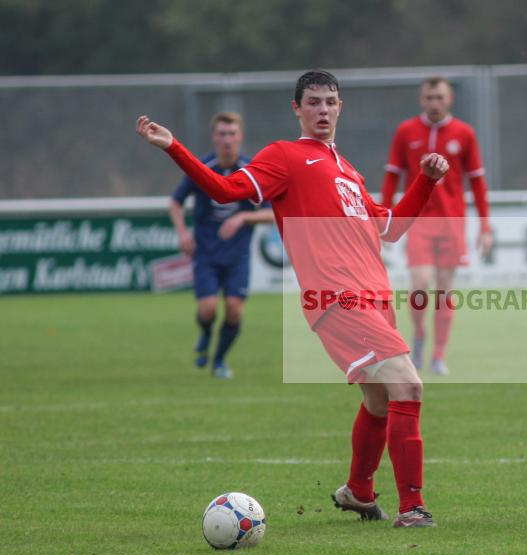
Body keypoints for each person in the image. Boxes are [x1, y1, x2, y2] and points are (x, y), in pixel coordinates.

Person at [137, 70, 449, 528]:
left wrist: (425, 182)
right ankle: (412, 508)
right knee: (410, 386)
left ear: (341, 107)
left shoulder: (349, 172)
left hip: (374, 299)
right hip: (337, 298)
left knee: (381, 402)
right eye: (314, 102)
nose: (323, 110)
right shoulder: (284, 156)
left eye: (330, 102)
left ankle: (359, 492)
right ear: (297, 109)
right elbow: (225, 191)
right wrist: (174, 147)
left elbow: (392, 228)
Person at [381, 76, 493, 375]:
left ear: (449, 99)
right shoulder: (406, 131)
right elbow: (393, 174)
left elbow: (478, 181)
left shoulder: (464, 133)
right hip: (418, 221)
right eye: (429, 97)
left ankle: (439, 355)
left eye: (439, 97)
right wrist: (385, 216)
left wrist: (485, 225)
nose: (434, 103)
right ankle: (419, 336)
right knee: (419, 286)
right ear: (421, 100)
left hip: (452, 222)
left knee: (444, 290)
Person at [168, 112, 274, 379]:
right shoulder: (201, 168)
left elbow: (274, 212)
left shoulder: (252, 171)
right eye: (222, 134)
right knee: (208, 308)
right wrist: (182, 234)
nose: (227, 140)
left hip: (237, 255)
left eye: (232, 134)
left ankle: (219, 360)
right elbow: (175, 202)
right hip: (205, 252)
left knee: (235, 310)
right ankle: (205, 334)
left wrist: (244, 217)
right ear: (214, 137)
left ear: (241, 136)